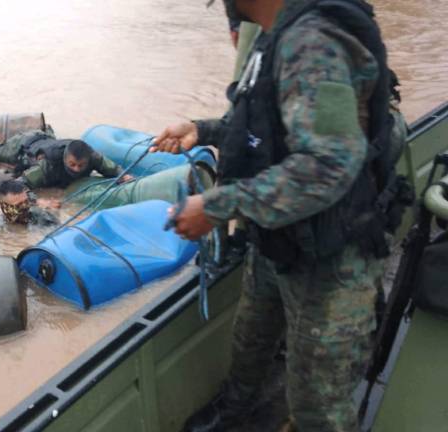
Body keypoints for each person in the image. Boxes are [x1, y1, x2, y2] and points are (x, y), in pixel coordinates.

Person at [153, 0, 410, 430]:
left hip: (331, 258)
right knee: (251, 339)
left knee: (317, 403)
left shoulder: (313, 43)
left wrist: (216, 207)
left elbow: (328, 166)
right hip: (278, 236)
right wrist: (204, 130)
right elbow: (267, 127)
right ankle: (235, 413)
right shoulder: (276, 35)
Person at [0, 130, 133, 189]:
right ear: (64, 159)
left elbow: (113, 169)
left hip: (45, 141)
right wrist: (41, 203)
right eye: (72, 165)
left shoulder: (92, 156)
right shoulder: (48, 165)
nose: (77, 169)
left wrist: (125, 177)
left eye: (81, 166)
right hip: (22, 146)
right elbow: (20, 185)